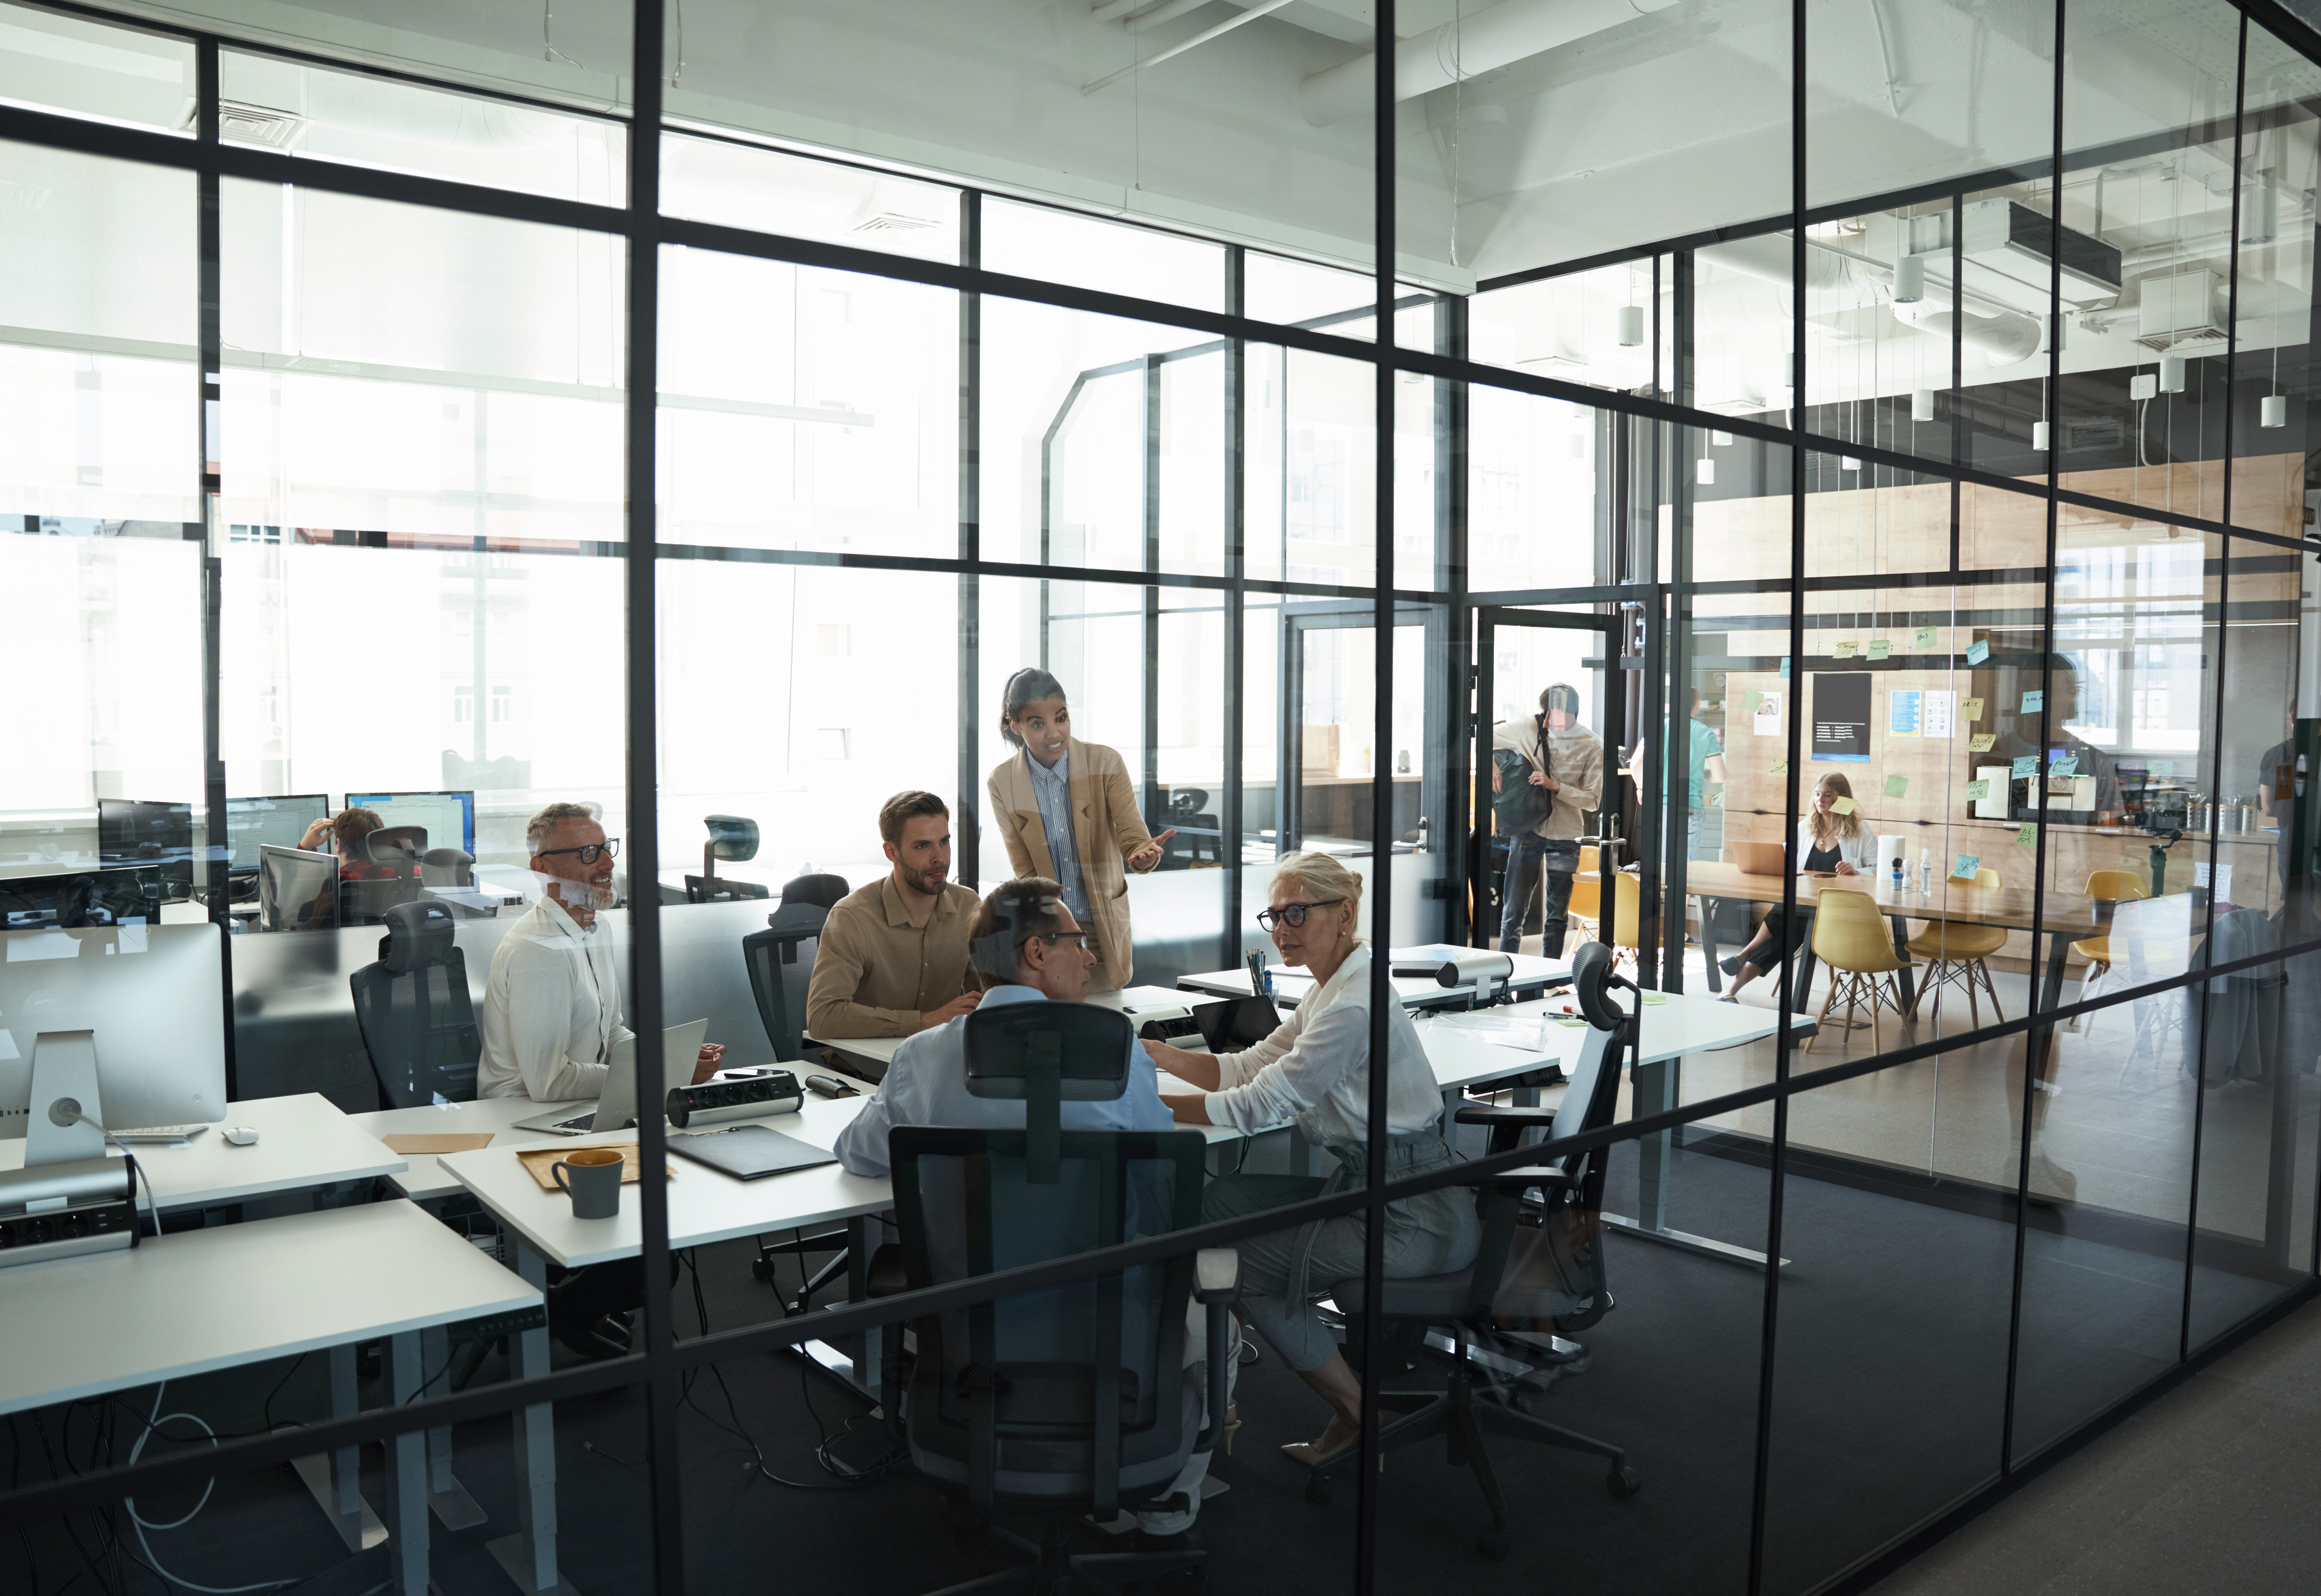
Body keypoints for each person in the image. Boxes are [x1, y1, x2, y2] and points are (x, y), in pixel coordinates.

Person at [834, 878, 1228, 1547]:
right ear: (1037, 952)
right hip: (1108, 1327)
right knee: (1221, 1325)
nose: (1091, 957)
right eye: (1078, 941)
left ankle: (992, 1464)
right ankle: (1166, 1508)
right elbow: (1154, 1171)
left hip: (970, 1334)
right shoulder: (1118, 1052)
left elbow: (859, 1153)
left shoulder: (922, 1055)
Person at [1143, 852, 1479, 1469]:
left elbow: (1258, 1105)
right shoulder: (1332, 988)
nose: (1281, 929)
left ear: (1344, 914)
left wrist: (1148, 1103)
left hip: (1413, 1215)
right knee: (1217, 1203)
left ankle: (1357, 1414)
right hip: (1370, 1184)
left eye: (1296, 913)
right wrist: (1157, 1054)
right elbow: (1249, 1066)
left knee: (1234, 1263)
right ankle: (1225, 1371)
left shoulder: (1351, 1004)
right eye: (1273, 916)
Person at [476, 802, 725, 1359]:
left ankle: (561, 1308)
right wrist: (650, 1076)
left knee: (662, 1228)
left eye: (606, 848)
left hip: (574, 1116)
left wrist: (669, 1060)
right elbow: (547, 1081)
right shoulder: (538, 949)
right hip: (524, 1125)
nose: (607, 863)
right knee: (651, 1260)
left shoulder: (593, 926)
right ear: (542, 866)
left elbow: (612, 1032)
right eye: (588, 853)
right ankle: (551, 1315)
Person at [986, 667, 1174, 992]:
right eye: (1038, 724)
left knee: (1106, 1011)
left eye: (1061, 718)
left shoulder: (1105, 763)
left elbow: (1133, 837)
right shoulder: (1002, 783)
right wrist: (1043, 932)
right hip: (1050, 931)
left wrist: (1142, 855)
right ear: (1015, 725)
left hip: (1103, 924)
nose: (1054, 733)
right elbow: (1024, 869)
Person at [804, 790, 982, 1043]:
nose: (940, 858)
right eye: (922, 846)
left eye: (944, 842)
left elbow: (990, 991)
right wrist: (926, 1021)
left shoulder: (968, 905)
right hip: (864, 1062)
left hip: (939, 1055)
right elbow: (823, 1018)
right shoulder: (852, 917)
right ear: (892, 852)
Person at [1720, 773, 1878, 1004]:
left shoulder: (1860, 831)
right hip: (1803, 907)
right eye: (1817, 794)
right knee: (1787, 929)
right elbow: (1783, 858)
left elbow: (1878, 869)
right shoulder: (1805, 828)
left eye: (1827, 795)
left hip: (1838, 911)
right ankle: (1730, 990)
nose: (1820, 800)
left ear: (1843, 797)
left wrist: (1857, 871)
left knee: (1788, 927)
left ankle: (1742, 959)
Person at [1489, 682, 1604, 956]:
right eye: (1546, 713)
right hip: (1528, 828)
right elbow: (1482, 737)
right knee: (1513, 912)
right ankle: (1505, 974)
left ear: (1572, 713)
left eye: (1556, 714)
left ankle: (1549, 974)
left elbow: (1593, 801)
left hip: (1566, 834)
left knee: (1557, 915)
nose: (1548, 720)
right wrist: (1492, 767)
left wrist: (1556, 787)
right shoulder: (1528, 727)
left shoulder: (1592, 745)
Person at [297, 807, 388, 877]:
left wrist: (304, 847)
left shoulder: (336, 885)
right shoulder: (391, 874)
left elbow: (296, 889)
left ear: (339, 846)